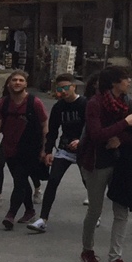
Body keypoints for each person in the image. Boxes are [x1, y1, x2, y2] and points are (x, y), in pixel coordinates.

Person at [78, 66, 132, 262]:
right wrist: (124, 123)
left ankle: (115, 259)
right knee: (95, 209)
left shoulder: (128, 103)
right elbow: (96, 135)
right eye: (125, 78)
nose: (129, 82)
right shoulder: (94, 104)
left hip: (121, 162)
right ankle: (87, 250)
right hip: (97, 162)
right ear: (114, 83)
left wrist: (119, 139)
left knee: (121, 211)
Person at [0, 72, 47, 232]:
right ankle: (30, 210)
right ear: (9, 84)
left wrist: (45, 149)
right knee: (21, 180)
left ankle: (10, 215)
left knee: (20, 180)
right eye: (14, 80)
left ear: (26, 84)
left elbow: (45, 126)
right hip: (10, 148)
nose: (17, 82)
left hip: (30, 148)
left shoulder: (35, 103)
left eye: (21, 80)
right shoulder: (3, 104)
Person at [38, 73, 86, 231]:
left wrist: (81, 141)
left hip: (84, 149)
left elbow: (92, 127)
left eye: (66, 88)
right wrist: (48, 151)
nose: (63, 92)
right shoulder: (58, 107)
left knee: (89, 183)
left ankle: (95, 214)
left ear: (74, 87)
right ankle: (43, 219)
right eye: (59, 89)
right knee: (53, 180)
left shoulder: (85, 104)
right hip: (65, 149)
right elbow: (52, 131)